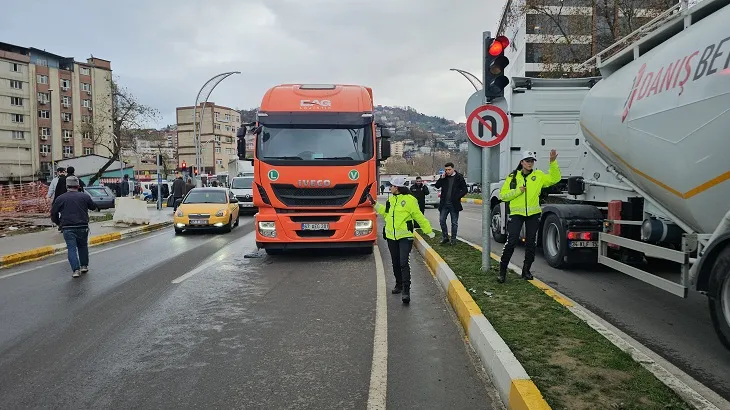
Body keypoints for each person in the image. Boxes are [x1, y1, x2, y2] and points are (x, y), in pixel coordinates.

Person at [498, 150, 561, 283]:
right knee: (512, 241)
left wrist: (552, 162)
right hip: (516, 214)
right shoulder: (513, 177)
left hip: (533, 214)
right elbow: (502, 195)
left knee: (531, 243)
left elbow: (555, 179)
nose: (530, 163)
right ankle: (502, 271)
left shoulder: (538, 175)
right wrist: (518, 191)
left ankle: (526, 271)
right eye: (527, 161)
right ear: (522, 162)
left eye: (532, 161)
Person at [371, 176, 435, 304]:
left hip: (405, 236)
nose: (390, 187)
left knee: (403, 262)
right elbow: (386, 213)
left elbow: (418, 216)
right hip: (391, 236)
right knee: (395, 262)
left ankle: (406, 290)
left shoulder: (410, 200)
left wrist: (428, 231)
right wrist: (374, 204)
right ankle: (398, 284)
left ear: (397, 187)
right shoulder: (391, 199)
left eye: (392, 186)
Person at [50, 176, 100, 278]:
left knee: (71, 248)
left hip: (68, 227)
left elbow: (53, 213)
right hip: (83, 226)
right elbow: (93, 206)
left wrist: (59, 223)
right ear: (78, 185)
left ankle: (75, 270)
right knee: (83, 246)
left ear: (66, 186)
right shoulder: (84, 197)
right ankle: (84, 266)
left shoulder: (60, 198)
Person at [434, 162, 468, 245]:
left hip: (454, 204)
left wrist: (457, 197)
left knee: (454, 223)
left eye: (449, 169)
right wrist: (441, 178)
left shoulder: (459, 177)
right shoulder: (444, 177)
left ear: (453, 169)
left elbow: (465, 189)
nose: (447, 171)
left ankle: (453, 240)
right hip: (444, 204)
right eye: (446, 170)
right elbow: (437, 186)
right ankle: (445, 237)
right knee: (442, 220)